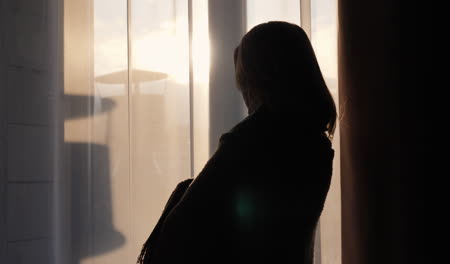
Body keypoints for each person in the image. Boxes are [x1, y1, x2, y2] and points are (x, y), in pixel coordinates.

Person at [139, 21, 337, 264]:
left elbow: (178, 232)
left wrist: (186, 192)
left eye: (243, 82)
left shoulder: (248, 142)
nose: (244, 95)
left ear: (258, 79)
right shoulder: (317, 146)